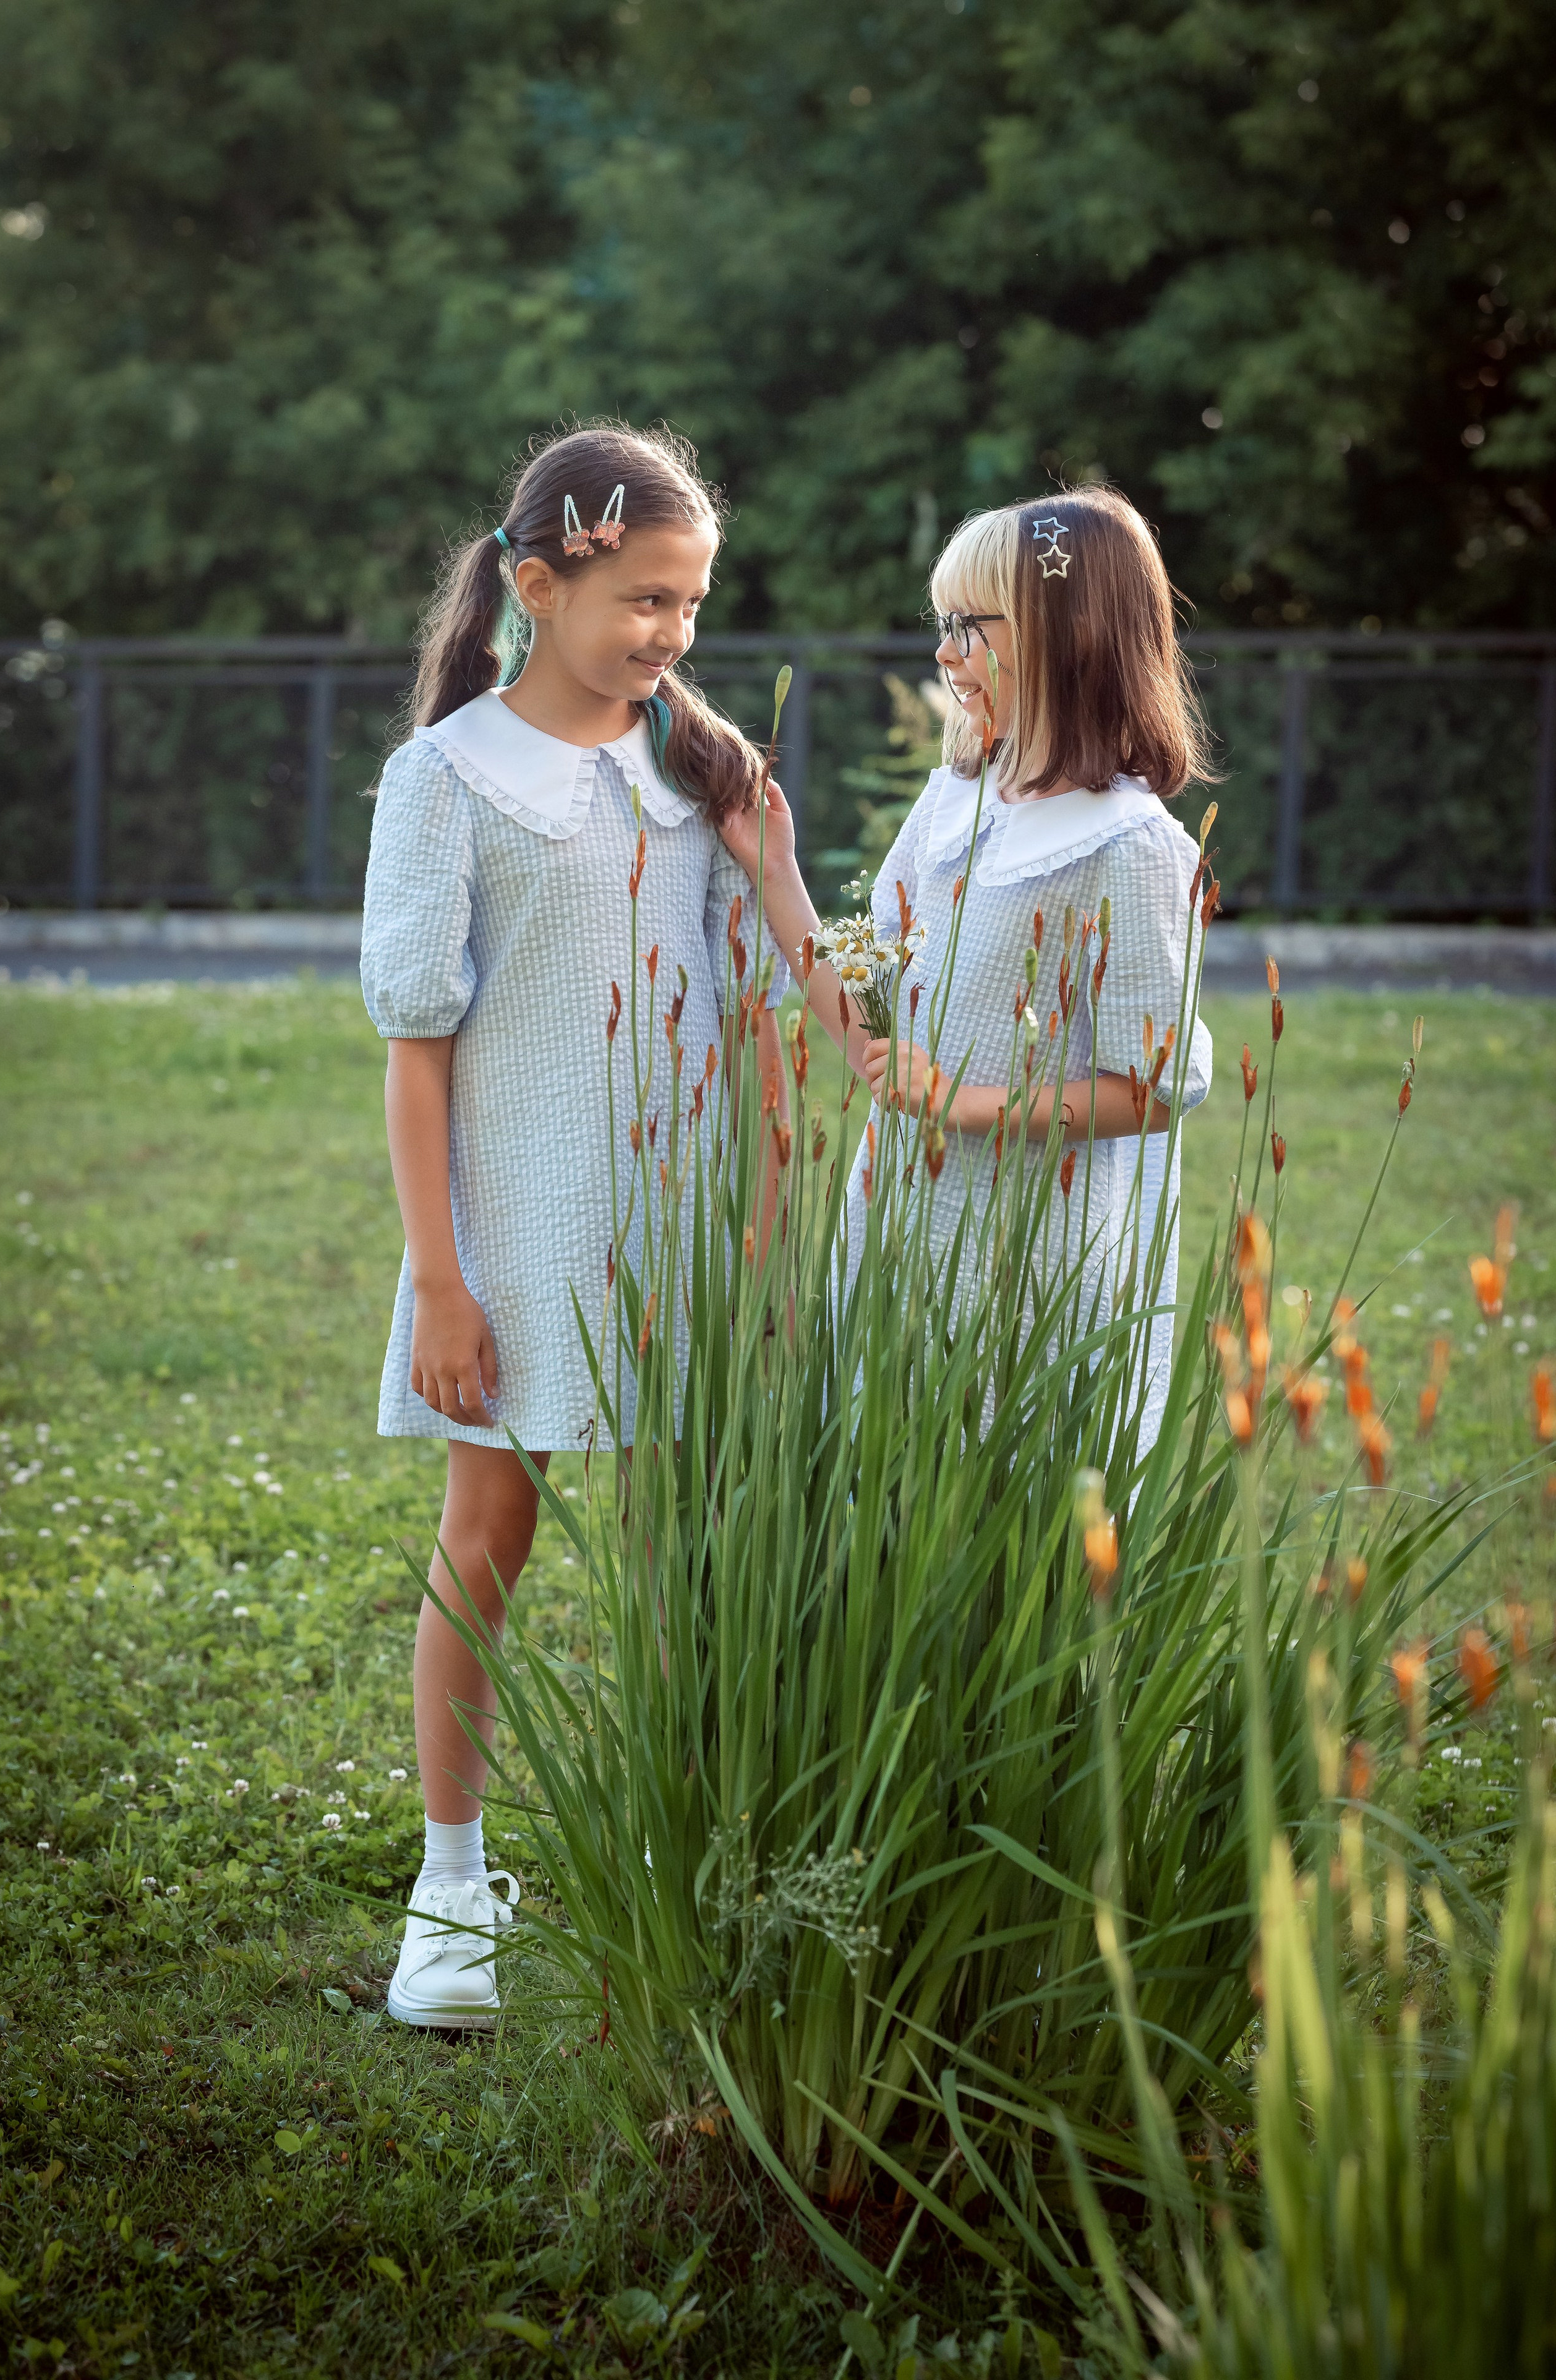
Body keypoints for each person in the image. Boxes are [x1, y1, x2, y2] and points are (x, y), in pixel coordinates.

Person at [361, 422, 785, 2029]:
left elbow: (759, 1003)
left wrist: (756, 1238)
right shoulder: (446, 778)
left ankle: (688, 1869)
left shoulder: (692, 775)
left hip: (683, 1233)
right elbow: (417, 1052)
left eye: (691, 603)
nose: (671, 634)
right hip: (513, 1235)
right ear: (539, 586)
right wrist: (441, 1283)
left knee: (690, 1557)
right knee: (492, 1536)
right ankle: (452, 1890)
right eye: (643, 600)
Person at [721, 485, 1214, 1450]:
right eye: (941, 624)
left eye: (968, 626)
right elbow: (876, 1029)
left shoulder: (1133, 849)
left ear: (1063, 634)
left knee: (1002, 1514)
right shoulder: (957, 800)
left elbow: (1155, 1090)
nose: (944, 652)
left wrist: (961, 1104)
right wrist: (775, 872)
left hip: (1030, 1267)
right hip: (901, 1225)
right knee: (884, 1500)